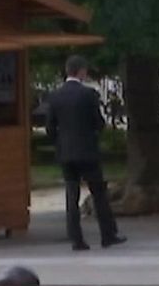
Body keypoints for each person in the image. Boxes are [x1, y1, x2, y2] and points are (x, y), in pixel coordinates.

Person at [45, 55, 125, 252]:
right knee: (98, 193)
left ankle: (76, 239)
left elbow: (49, 127)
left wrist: (60, 142)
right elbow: (99, 122)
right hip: (87, 151)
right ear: (81, 71)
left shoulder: (55, 96)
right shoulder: (89, 94)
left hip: (66, 153)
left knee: (71, 195)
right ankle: (108, 235)